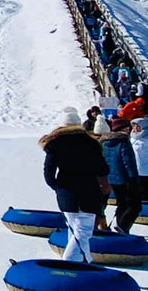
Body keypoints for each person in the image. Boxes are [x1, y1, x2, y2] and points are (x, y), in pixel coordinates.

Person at [41, 107, 110, 262]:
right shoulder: (90, 142)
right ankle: (69, 264)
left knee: (75, 231)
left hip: (66, 191)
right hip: (88, 190)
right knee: (83, 232)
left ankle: (84, 263)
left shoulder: (54, 143)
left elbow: (48, 172)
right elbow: (102, 168)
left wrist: (58, 187)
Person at [103, 116, 141, 234]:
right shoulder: (123, 142)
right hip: (123, 178)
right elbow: (128, 161)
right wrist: (133, 177)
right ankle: (122, 227)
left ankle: (117, 226)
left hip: (109, 177)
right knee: (133, 205)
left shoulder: (105, 142)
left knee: (122, 203)